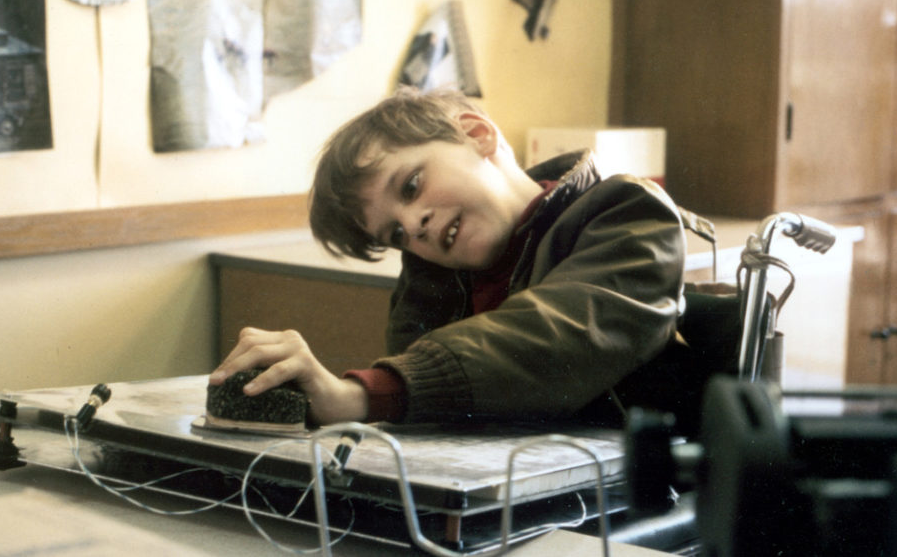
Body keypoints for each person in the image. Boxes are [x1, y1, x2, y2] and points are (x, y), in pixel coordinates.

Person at [209, 88, 728, 432]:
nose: (412, 227)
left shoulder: (627, 214)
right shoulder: (434, 277)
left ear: (477, 135)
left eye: (411, 185)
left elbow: (557, 340)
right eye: (394, 233)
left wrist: (356, 395)